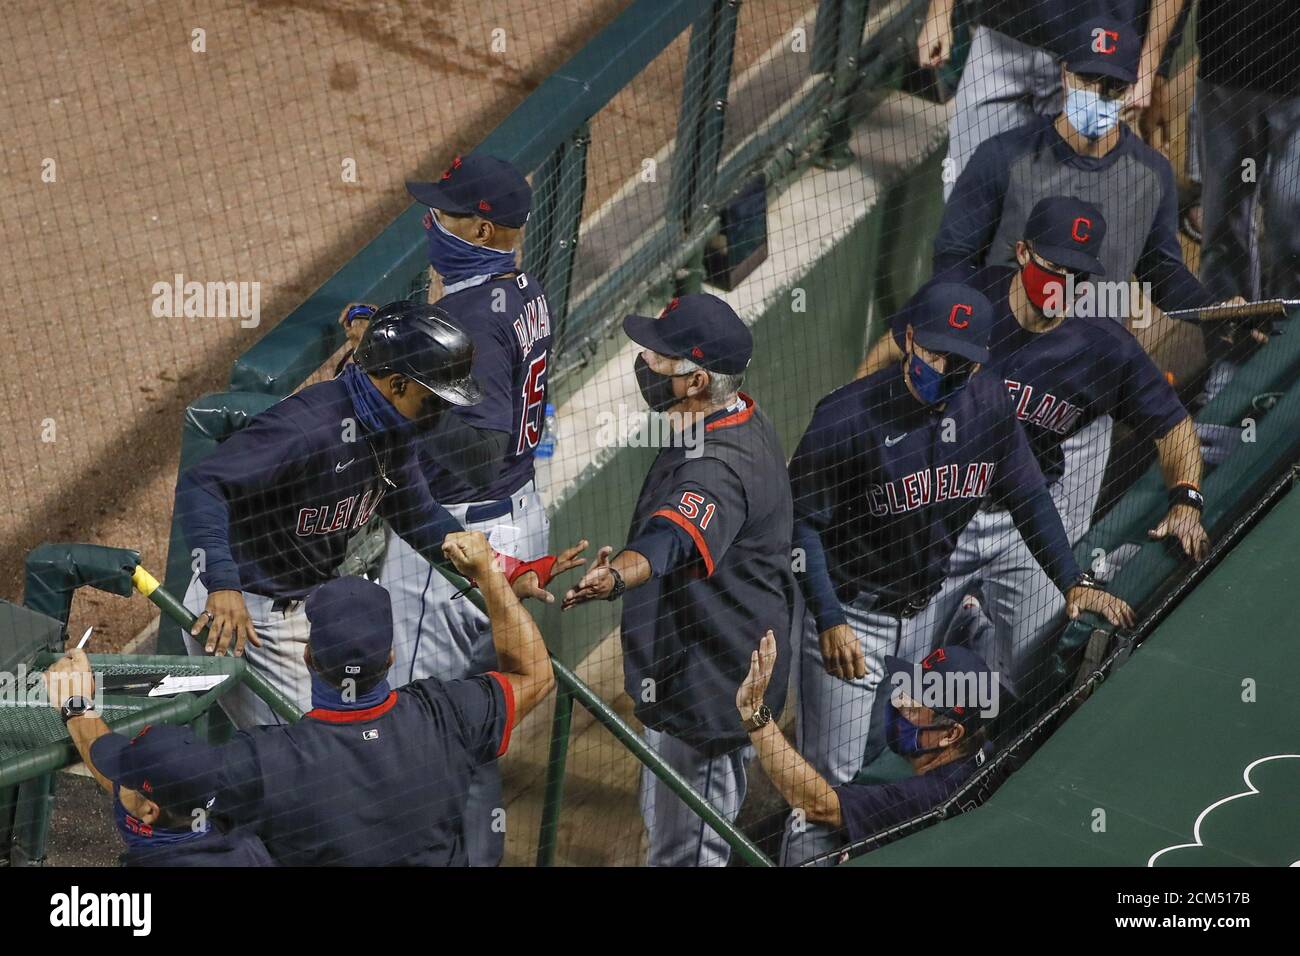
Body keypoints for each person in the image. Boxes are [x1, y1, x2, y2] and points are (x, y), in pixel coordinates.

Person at [783, 280, 1134, 865]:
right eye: (938, 354)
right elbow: (804, 528)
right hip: (854, 620)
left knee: (886, 760)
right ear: (909, 339)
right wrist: (829, 619)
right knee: (825, 796)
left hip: (923, 612)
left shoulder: (988, 403)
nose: (947, 370)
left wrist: (1072, 579)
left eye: (964, 362)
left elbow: (1028, 494)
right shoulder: (844, 418)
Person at [877, 15, 1238, 538]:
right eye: (1090, 79)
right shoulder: (1005, 156)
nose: (1100, 93)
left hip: (1083, 402)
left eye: (1114, 85)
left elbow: (1162, 271)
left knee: (1051, 567)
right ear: (1065, 74)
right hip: (996, 385)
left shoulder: (1150, 174)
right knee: (950, 541)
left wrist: (1210, 312)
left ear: (1131, 85)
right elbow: (954, 258)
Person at [865, 198, 1206, 721]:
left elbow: (1174, 425)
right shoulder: (968, 300)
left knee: (1025, 680)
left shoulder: (1103, 346)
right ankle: (959, 635)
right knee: (897, 676)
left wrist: (1186, 498)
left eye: (1077, 274)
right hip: (939, 512)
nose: (1062, 284)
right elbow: (890, 351)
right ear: (1023, 252)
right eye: (1052, 266)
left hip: (1025, 525)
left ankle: (974, 644)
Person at [176, 301, 571, 727]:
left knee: (343, 746)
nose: (441, 413)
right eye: (433, 399)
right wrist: (221, 583)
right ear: (398, 385)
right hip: (243, 614)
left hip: (302, 610)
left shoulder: (392, 429)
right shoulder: (311, 426)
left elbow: (417, 513)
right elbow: (204, 484)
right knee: (322, 755)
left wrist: (501, 571)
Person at [342, 152, 554, 866]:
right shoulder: (519, 288)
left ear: (487, 230)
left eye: (449, 212)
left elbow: (474, 454)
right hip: (513, 511)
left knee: (421, 726)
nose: (433, 222)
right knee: (472, 719)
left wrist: (390, 389)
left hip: (459, 537)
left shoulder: (473, 312)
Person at [562, 293, 797, 867]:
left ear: (694, 381)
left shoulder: (719, 465)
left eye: (660, 358)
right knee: (669, 831)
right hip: (705, 665)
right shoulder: (731, 414)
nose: (644, 360)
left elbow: (670, 542)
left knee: (686, 856)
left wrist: (616, 576)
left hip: (710, 690)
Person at [215, 530, 556, 866]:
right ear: (391, 655)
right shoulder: (448, 713)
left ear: (308, 656)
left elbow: (177, 802)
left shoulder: (266, 760)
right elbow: (536, 675)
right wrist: (490, 574)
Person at [737, 633, 998, 864]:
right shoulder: (986, 754)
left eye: (914, 708)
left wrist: (755, 714)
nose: (899, 705)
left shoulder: (925, 796)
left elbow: (816, 803)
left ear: (951, 734)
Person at [919, 0, 1189, 197]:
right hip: (1001, 34)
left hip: (1097, 61)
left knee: (1066, 222)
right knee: (964, 195)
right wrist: (939, 12)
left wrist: (1155, 65)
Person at [42, 651, 273, 867]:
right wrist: (75, 705)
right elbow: (141, 786)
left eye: (123, 779)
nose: (114, 781)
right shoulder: (248, 847)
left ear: (150, 812)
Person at [1194, 0, 1300, 402]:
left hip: (1296, 79)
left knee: (1290, 234)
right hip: (1225, 68)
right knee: (1223, 229)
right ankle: (1228, 365)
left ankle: (1285, 364)